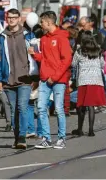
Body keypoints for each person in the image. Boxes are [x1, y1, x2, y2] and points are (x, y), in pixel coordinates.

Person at [0, 8, 37, 149]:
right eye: (9, 17)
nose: (11, 19)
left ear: (19, 19)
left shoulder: (28, 36)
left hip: (24, 78)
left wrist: (35, 76)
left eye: (14, 17)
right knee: (13, 110)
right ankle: (17, 136)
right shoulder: (1, 38)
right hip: (8, 79)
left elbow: (35, 57)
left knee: (22, 107)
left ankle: (22, 138)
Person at [29, 11, 72, 150]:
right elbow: (45, 58)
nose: (40, 24)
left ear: (48, 22)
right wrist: (35, 55)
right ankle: (46, 138)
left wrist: (55, 77)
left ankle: (61, 138)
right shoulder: (44, 38)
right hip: (44, 78)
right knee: (41, 107)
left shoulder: (61, 38)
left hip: (57, 80)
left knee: (59, 108)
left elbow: (66, 60)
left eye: (42, 22)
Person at [71, 31, 106, 137]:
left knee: (81, 106)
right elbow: (103, 65)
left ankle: (80, 129)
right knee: (91, 106)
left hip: (83, 80)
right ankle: (91, 130)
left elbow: (73, 64)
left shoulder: (79, 51)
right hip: (96, 81)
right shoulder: (98, 51)